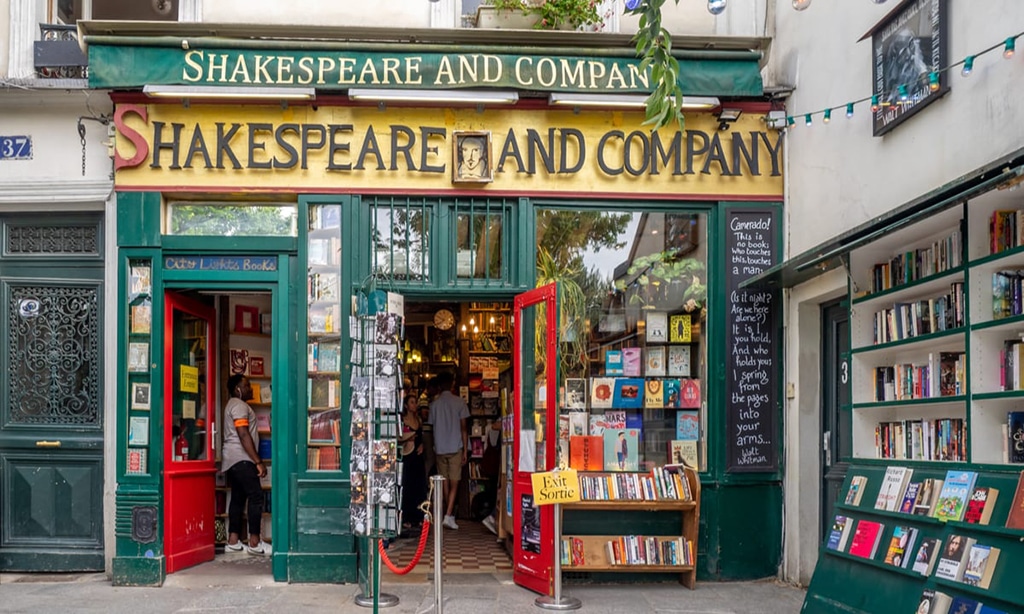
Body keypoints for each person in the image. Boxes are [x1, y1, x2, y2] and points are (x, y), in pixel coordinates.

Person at [221, 374, 271, 555]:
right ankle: (255, 543)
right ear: (238, 389)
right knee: (256, 496)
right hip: (242, 459)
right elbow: (243, 434)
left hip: (232, 460)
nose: (251, 388)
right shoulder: (239, 405)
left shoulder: (232, 405)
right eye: (247, 385)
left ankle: (233, 541)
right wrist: (258, 461)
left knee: (238, 498)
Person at [428, 371, 469, 529]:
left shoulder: (434, 405)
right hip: (455, 446)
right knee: (455, 482)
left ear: (439, 386)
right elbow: (464, 428)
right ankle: (448, 515)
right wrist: (465, 449)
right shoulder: (459, 402)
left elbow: (431, 427)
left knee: (443, 481)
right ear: (452, 384)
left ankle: (448, 514)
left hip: (440, 447)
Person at [399, 394, 427, 535]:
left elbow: (421, 437)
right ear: (406, 405)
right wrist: (410, 437)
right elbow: (399, 438)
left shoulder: (419, 420)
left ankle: (419, 516)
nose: (414, 405)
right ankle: (407, 517)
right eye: (412, 402)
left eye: (415, 402)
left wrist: (421, 444)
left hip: (417, 456)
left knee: (419, 486)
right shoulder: (402, 420)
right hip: (407, 455)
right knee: (408, 485)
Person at [418, 379, 440, 479]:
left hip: (429, 431)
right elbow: (424, 415)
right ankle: (426, 480)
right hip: (426, 431)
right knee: (430, 458)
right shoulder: (424, 398)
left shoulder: (428, 399)